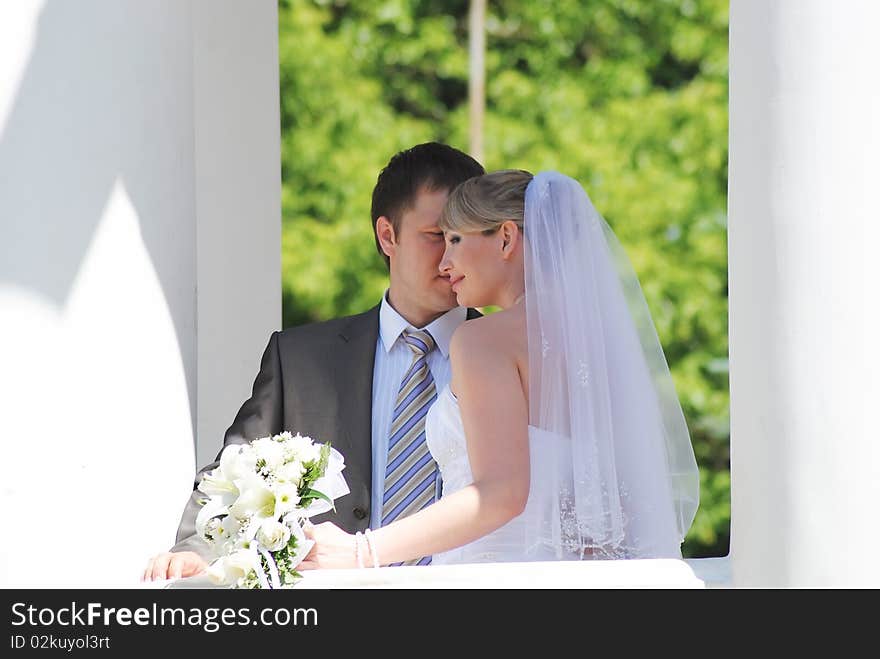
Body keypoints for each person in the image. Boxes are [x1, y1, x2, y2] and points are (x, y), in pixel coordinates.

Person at [299, 170, 700, 568]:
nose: (445, 261)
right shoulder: (602, 349)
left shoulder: (482, 340)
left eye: (455, 239)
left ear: (506, 238)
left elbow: (502, 493)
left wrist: (361, 552)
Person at [142, 142, 485, 581]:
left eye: (468, 237)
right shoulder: (301, 359)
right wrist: (197, 551)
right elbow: (234, 468)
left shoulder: (515, 357)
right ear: (388, 235)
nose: (452, 256)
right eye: (438, 236)